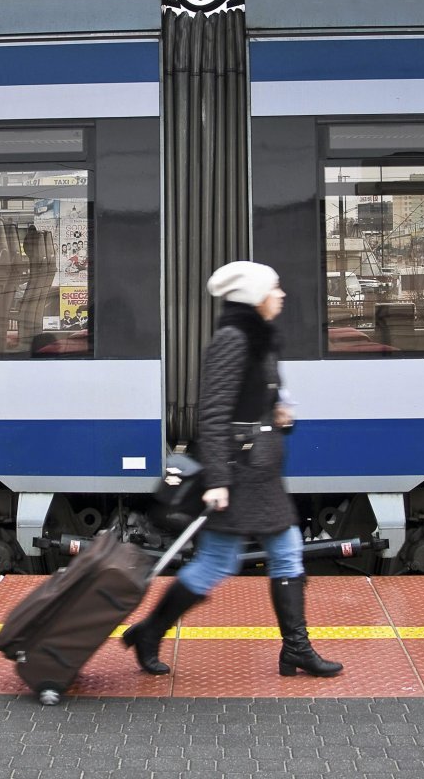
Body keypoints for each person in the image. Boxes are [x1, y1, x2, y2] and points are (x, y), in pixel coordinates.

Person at [122, 261, 342, 679]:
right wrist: (218, 480)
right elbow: (214, 413)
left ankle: (294, 648)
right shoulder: (231, 340)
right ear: (256, 297)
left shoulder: (261, 340)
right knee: (223, 561)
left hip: (259, 472)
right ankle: (151, 632)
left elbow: (253, 400)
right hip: (240, 473)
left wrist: (278, 412)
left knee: (275, 552)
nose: (282, 295)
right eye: (274, 289)